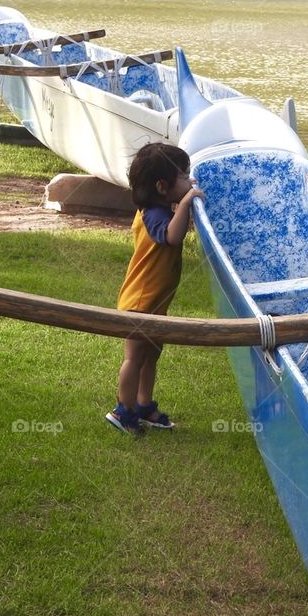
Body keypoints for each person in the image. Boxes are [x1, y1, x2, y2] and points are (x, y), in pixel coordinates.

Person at [106, 143, 203, 435]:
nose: (190, 182)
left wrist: (181, 198)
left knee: (151, 356)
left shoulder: (155, 209)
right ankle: (123, 411)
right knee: (134, 359)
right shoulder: (154, 216)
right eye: (184, 177)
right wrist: (185, 203)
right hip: (140, 303)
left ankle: (143, 404)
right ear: (163, 187)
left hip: (155, 303)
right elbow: (173, 237)